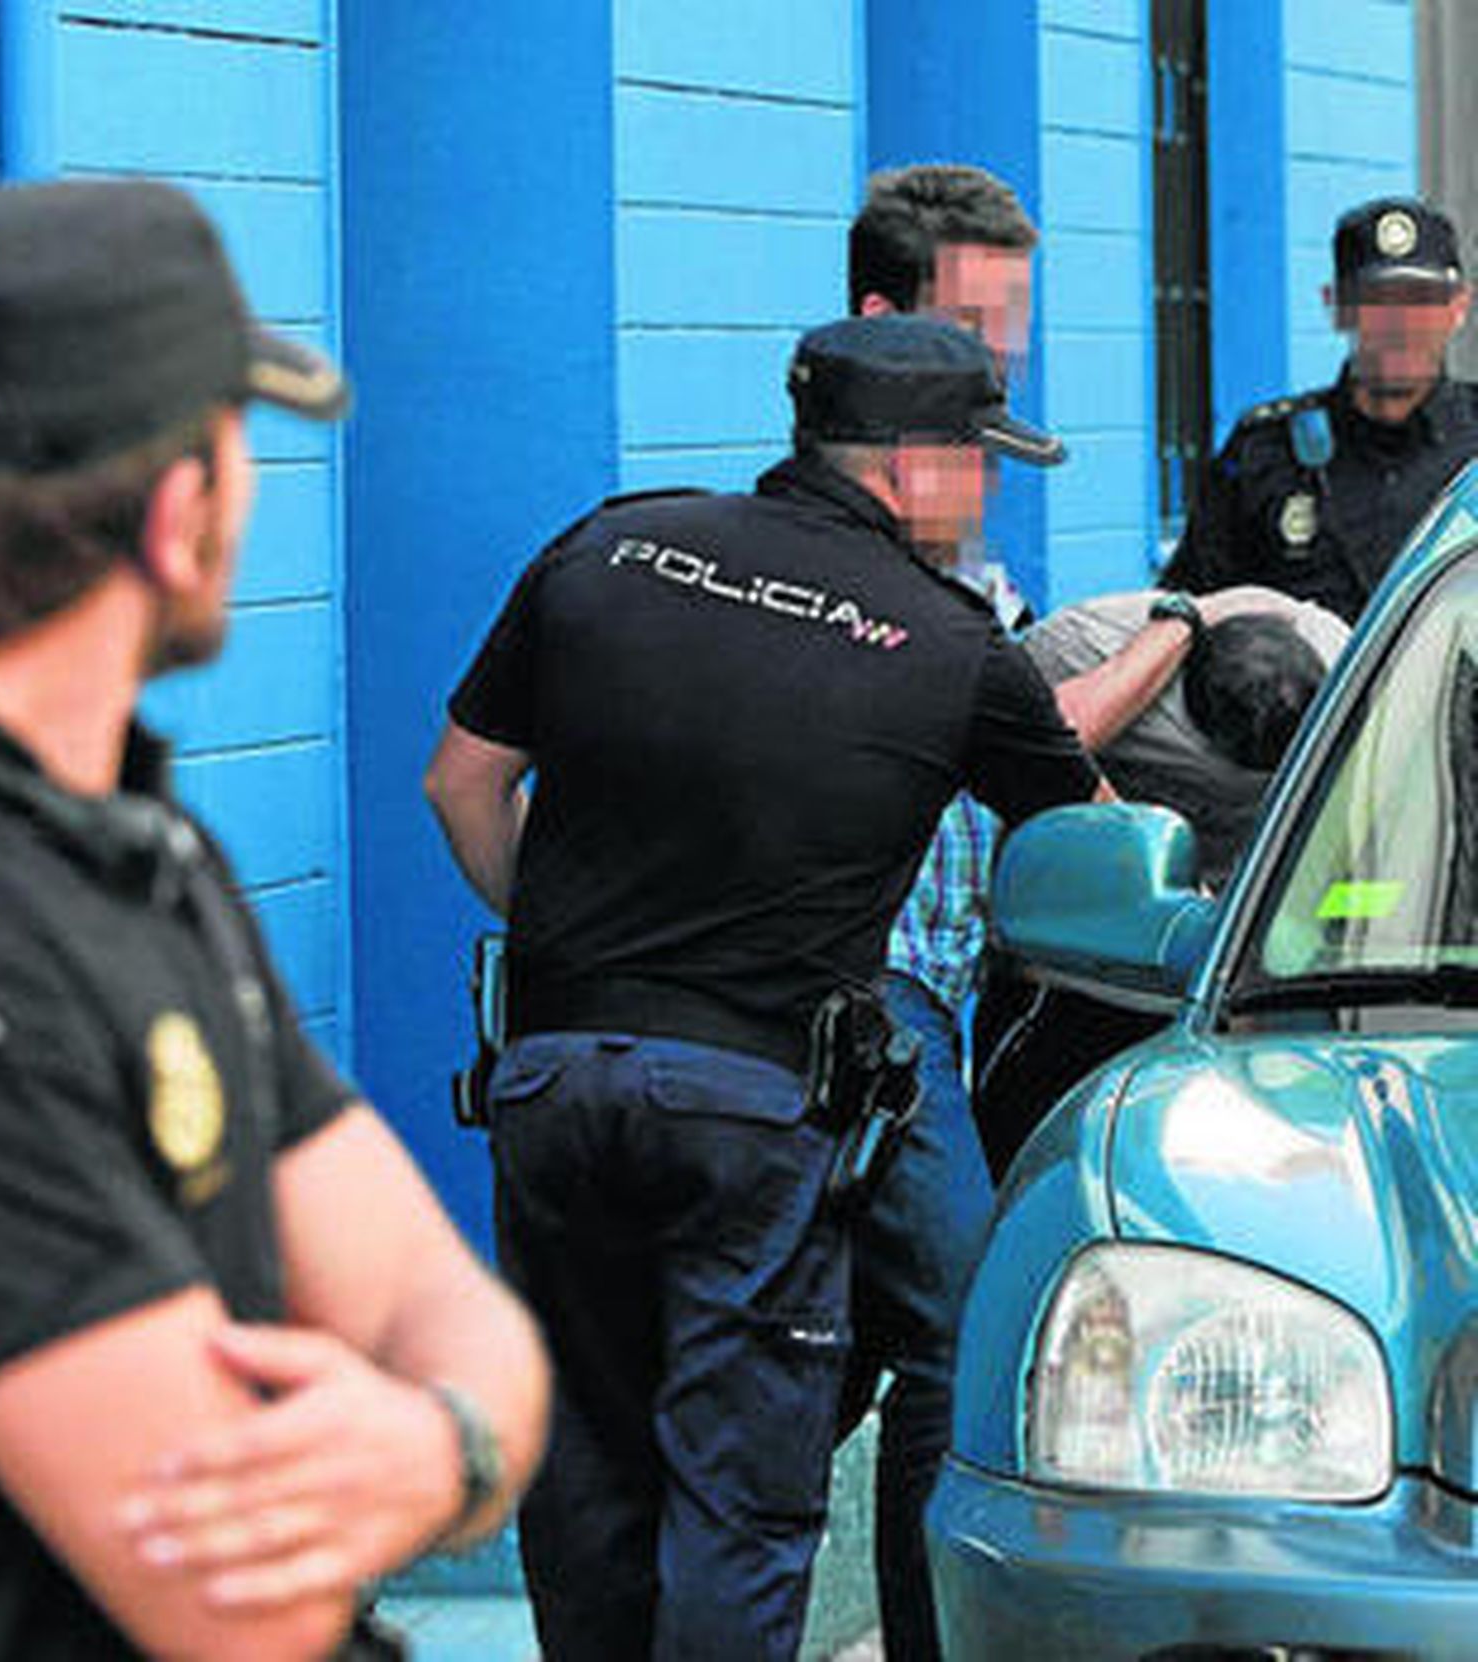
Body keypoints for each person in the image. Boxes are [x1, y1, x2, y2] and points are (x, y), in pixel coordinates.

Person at [0, 178, 549, 1662]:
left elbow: (437, 1299)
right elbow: (240, 1599)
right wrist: (452, 1442)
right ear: (182, 515)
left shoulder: (131, 840)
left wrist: (439, 1439)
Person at [424, 313, 1103, 1661]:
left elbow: (460, 781)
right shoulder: (951, 641)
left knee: (587, 1469)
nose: (988, 493)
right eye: (982, 462)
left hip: (550, 1073)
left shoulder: (609, 544)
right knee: (737, 1497)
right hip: (753, 1106)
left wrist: (577, 946)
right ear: (916, 463)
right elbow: (1097, 839)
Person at [840, 160, 1043, 1662]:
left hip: (938, 1006)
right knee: (961, 1330)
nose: (1004, 363)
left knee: (840, 1353)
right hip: (868, 1001)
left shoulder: (965, 528)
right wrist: (1178, 629)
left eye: (1012, 330)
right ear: (880, 322)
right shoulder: (853, 549)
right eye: (975, 328)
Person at [972, 584, 1348, 1179]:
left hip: (1255, 943)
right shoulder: (1083, 649)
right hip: (1088, 932)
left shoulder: (1348, 666)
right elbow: (1027, 760)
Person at [1161, 195, 1478, 623]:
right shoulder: (1267, 452)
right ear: (1337, 306)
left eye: (1420, 298)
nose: (1399, 322)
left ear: (1458, 306)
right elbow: (1189, 611)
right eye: (1376, 299)